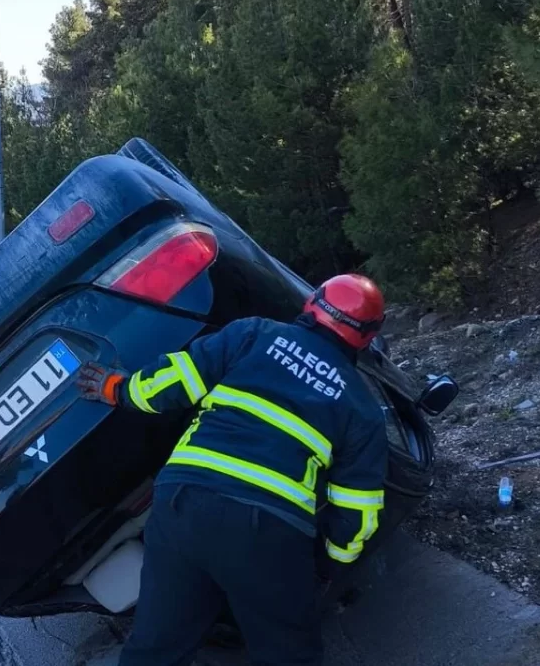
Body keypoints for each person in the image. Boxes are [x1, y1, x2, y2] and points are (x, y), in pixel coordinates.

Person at [75, 273, 390, 666]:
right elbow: (358, 512)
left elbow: (171, 383)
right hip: (268, 528)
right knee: (287, 655)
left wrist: (116, 389)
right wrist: (330, 564)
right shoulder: (360, 407)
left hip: (182, 503)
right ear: (368, 336)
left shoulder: (254, 334)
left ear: (313, 303)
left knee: (155, 648)